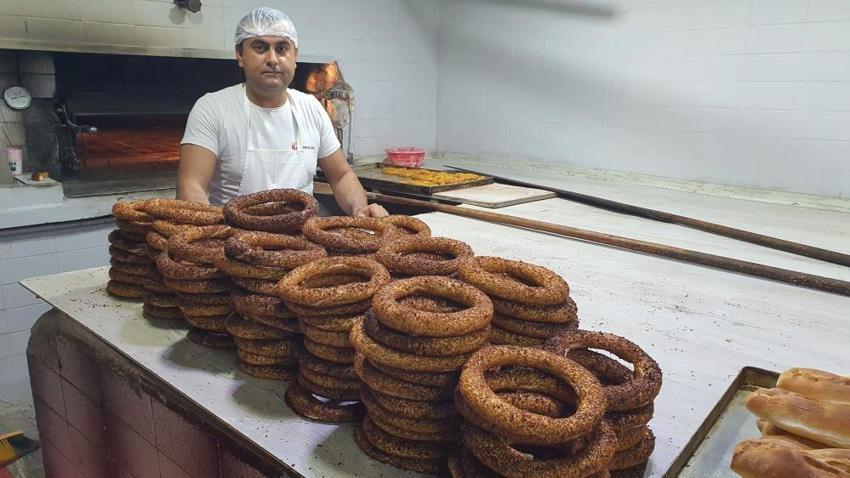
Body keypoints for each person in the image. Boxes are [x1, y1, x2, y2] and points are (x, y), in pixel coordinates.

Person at [177, 7, 387, 217]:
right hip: (233, 241)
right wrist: (205, 234)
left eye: (282, 48)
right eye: (260, 48)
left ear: (295, 56)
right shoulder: (213, 108)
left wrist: (359, 208)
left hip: (301, 243)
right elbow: (191, 185)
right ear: (240, 55)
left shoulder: (311, 109)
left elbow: (341, 176)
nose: (273, 59)